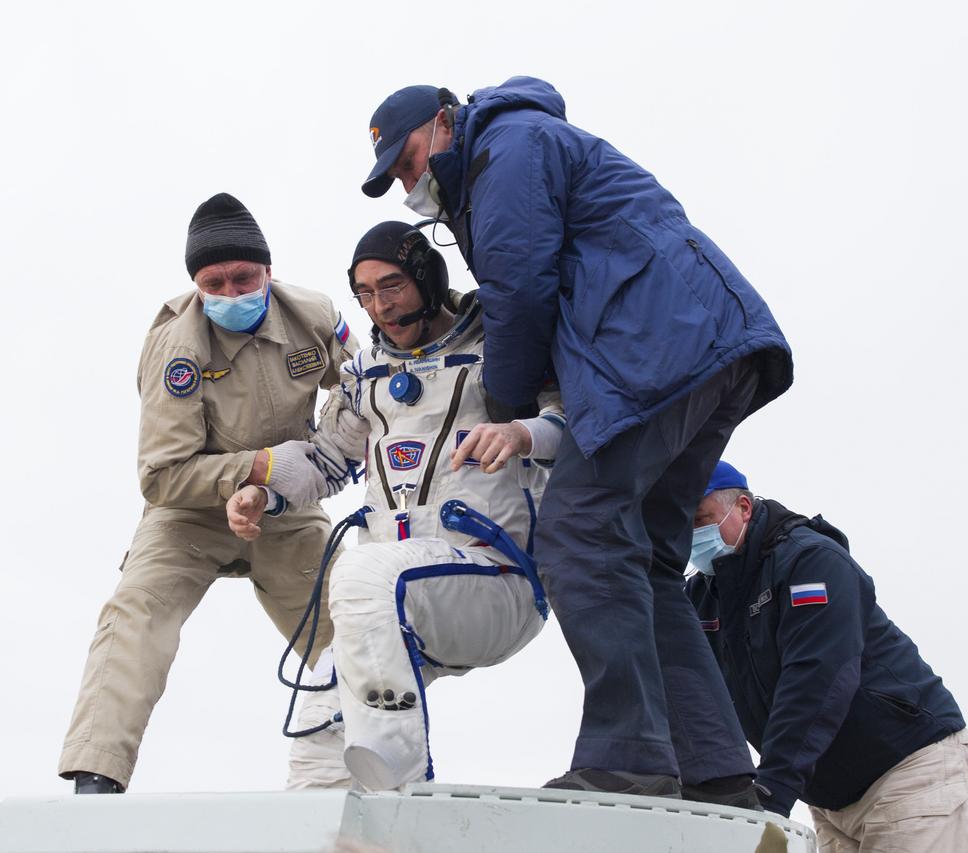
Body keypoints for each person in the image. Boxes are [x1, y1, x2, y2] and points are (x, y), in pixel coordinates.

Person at [358, 78, 793, 803]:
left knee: (580, 529)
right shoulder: (505, 155)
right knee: (647, 556)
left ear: (443, 123)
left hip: (658, 349)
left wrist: (507, 404)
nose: (410, 185)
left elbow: (519, 289)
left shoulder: (506, 150)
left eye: (408, 162)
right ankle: (715, 771)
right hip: (704, 347)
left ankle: (627, 754)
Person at [227, 221, 561, 791]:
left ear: (427, 279)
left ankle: (398, 766)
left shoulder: (500, 348)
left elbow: (576, 423)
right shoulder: (365, 377)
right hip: (395, 605)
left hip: (494, 579)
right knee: (318, 730)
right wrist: (264, 490)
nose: (380, 307)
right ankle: (343, 826)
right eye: (365, 294)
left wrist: (522, 434)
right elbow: (327, 458)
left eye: (392, 287)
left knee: (360, 575)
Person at [57, 193, 359, 793]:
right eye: (213, 283)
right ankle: (95, 780)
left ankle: (380, 773)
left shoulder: (315, 315)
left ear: (268, 270)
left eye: (244, 278)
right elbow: (161, 474)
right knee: (136, 613)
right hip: (188, 513)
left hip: (286, 510)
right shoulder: (176, 348)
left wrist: (323, 461)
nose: (230, 293)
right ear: (196, 285)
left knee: (357, 626)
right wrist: (258, 468)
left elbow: (366, 385)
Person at [687, 461, 968, 850]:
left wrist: (772, 793)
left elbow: (817, 677)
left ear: (743, 507)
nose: (692, 535)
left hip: (909, 772)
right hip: (829, 801)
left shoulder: (809, 561)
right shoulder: (703, 597)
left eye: (701, 520)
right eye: (683, 525)